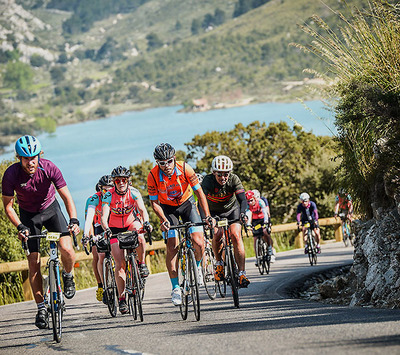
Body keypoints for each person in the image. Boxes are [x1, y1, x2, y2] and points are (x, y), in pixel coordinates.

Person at [1, 135, 80, 329]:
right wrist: (20, 227)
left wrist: (74, 220)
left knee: (67, 250)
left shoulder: (49, 168)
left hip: (51, 210)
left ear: (39, 155)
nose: (31, 162)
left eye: (34, 157)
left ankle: (68, 276)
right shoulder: (11, 175)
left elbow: (67, 197)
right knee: (33, 262)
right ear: (19, 158)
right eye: (26, 158)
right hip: (29, 217)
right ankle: (41, 307)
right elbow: (9, 207)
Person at [147, 143, 213, 306]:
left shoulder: (185, 168)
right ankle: (176, 287)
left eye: (169, 161)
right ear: (157, 163)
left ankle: (197, 267)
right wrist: (163, 220)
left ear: (174, 159)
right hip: (167, 209)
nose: (166, 166)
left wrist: (208, 216)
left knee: (198, 240)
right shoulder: (153, 176)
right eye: (162, 163)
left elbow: (199, 193)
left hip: (187, 204)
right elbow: (154, 203)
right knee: (172, 245)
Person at [101, 166, 152, 314]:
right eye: (118, 180)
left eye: (124, 180)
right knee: (120, 264)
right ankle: (122, 298)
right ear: (114, 182)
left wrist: (146, 222)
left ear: (128, 181)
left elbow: (142, 210)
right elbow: (104, 216)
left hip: (131, 224)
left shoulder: (134, 192)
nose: (121, 183)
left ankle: (141, 264)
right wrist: (106, 229)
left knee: (140, 234)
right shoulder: (108, 195)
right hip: (114, 229)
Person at [201, 155, 250, 288]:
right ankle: (219, 264)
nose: (223, 178)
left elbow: (243, 199)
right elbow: (201, 201)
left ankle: (241, 273)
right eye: (220, 175)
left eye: (226, 174)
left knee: (235, 235)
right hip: (214, 214)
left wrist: (243, 213)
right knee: (217, 235)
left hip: (231, 211)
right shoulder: (207, 181)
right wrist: (206, 218)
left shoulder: (234, 179)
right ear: (214, 173)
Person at [83, 175, 113, 302]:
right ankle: (101, 285)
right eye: (104, 190)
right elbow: (89, 221)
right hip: (97, 227)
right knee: (97, 254)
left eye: (110, 189)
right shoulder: (93, 199)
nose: (107, 192)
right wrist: (90, 237)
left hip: (113, 225)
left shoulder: (116, 196)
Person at [245, 190, 274, 265]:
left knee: (265, 232)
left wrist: (266, 222)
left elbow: (265, 212)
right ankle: (258, 257)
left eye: (251, 200)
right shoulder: (248, 205)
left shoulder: (260, 202)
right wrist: (248, 224)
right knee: (255, 238)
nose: (250, 203)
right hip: (255, 221)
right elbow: (248, 214)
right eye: (248, 201)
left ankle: (270, 248)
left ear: (254, 198)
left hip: (263, 219)